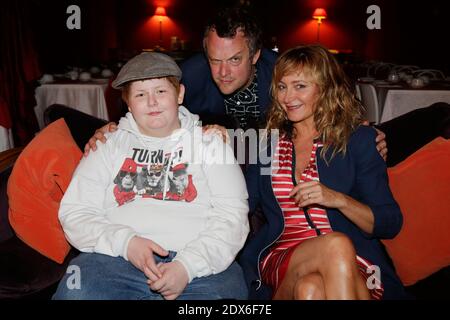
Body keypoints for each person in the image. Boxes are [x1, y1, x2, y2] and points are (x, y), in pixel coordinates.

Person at [53, 52, 250, 300]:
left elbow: (232, 216)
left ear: (179, 94)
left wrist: (187, 266)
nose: (152, 102)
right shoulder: (106, 145)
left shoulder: (210, 144)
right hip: (115, 260)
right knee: (76, 291)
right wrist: (126, 243)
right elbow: (75, 212)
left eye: (160, 91)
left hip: (202, 263)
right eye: (140, 95)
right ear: (128, 103)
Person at [84, 6, 388, 161]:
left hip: (267, 161)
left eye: (234, 60)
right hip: (213, 163)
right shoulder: (189, 75)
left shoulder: (280, 73)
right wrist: (115, 128)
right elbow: (150, 106)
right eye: (215, 60)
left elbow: (330, 99)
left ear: (255, 55)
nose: (223, 72)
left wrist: (362, 130)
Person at [238, 45, 407, 300]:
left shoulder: (358, 140)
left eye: (300, 86)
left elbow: (389, 222)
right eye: (282, 87)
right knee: (336, 245)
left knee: (311, 291)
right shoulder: (268, 145)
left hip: (354, 263)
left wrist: (338, 199)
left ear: (325, 88)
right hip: (284, 255)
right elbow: (241, 204)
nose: (287, 97)